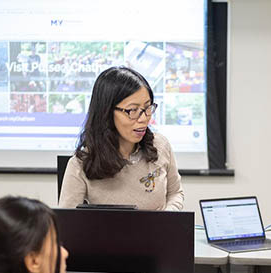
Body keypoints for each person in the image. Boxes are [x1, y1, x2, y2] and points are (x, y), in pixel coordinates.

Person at [59, 66, 184, 210]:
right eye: (132, 110)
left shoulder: (160, 145)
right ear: (107, 112)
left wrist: (165, 220)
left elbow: (175, 193)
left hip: (159, 232)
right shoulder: (81, 164)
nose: (144, 118)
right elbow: (68, 222)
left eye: (148, 108)